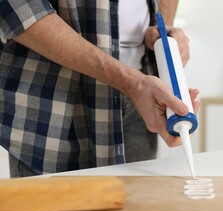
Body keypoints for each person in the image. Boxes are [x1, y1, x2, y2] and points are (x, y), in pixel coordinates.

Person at [0, 0, 200, 177]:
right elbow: (18, 8)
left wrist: (163, 29)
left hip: (142, 101)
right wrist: (132, 83)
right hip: (55, 106)